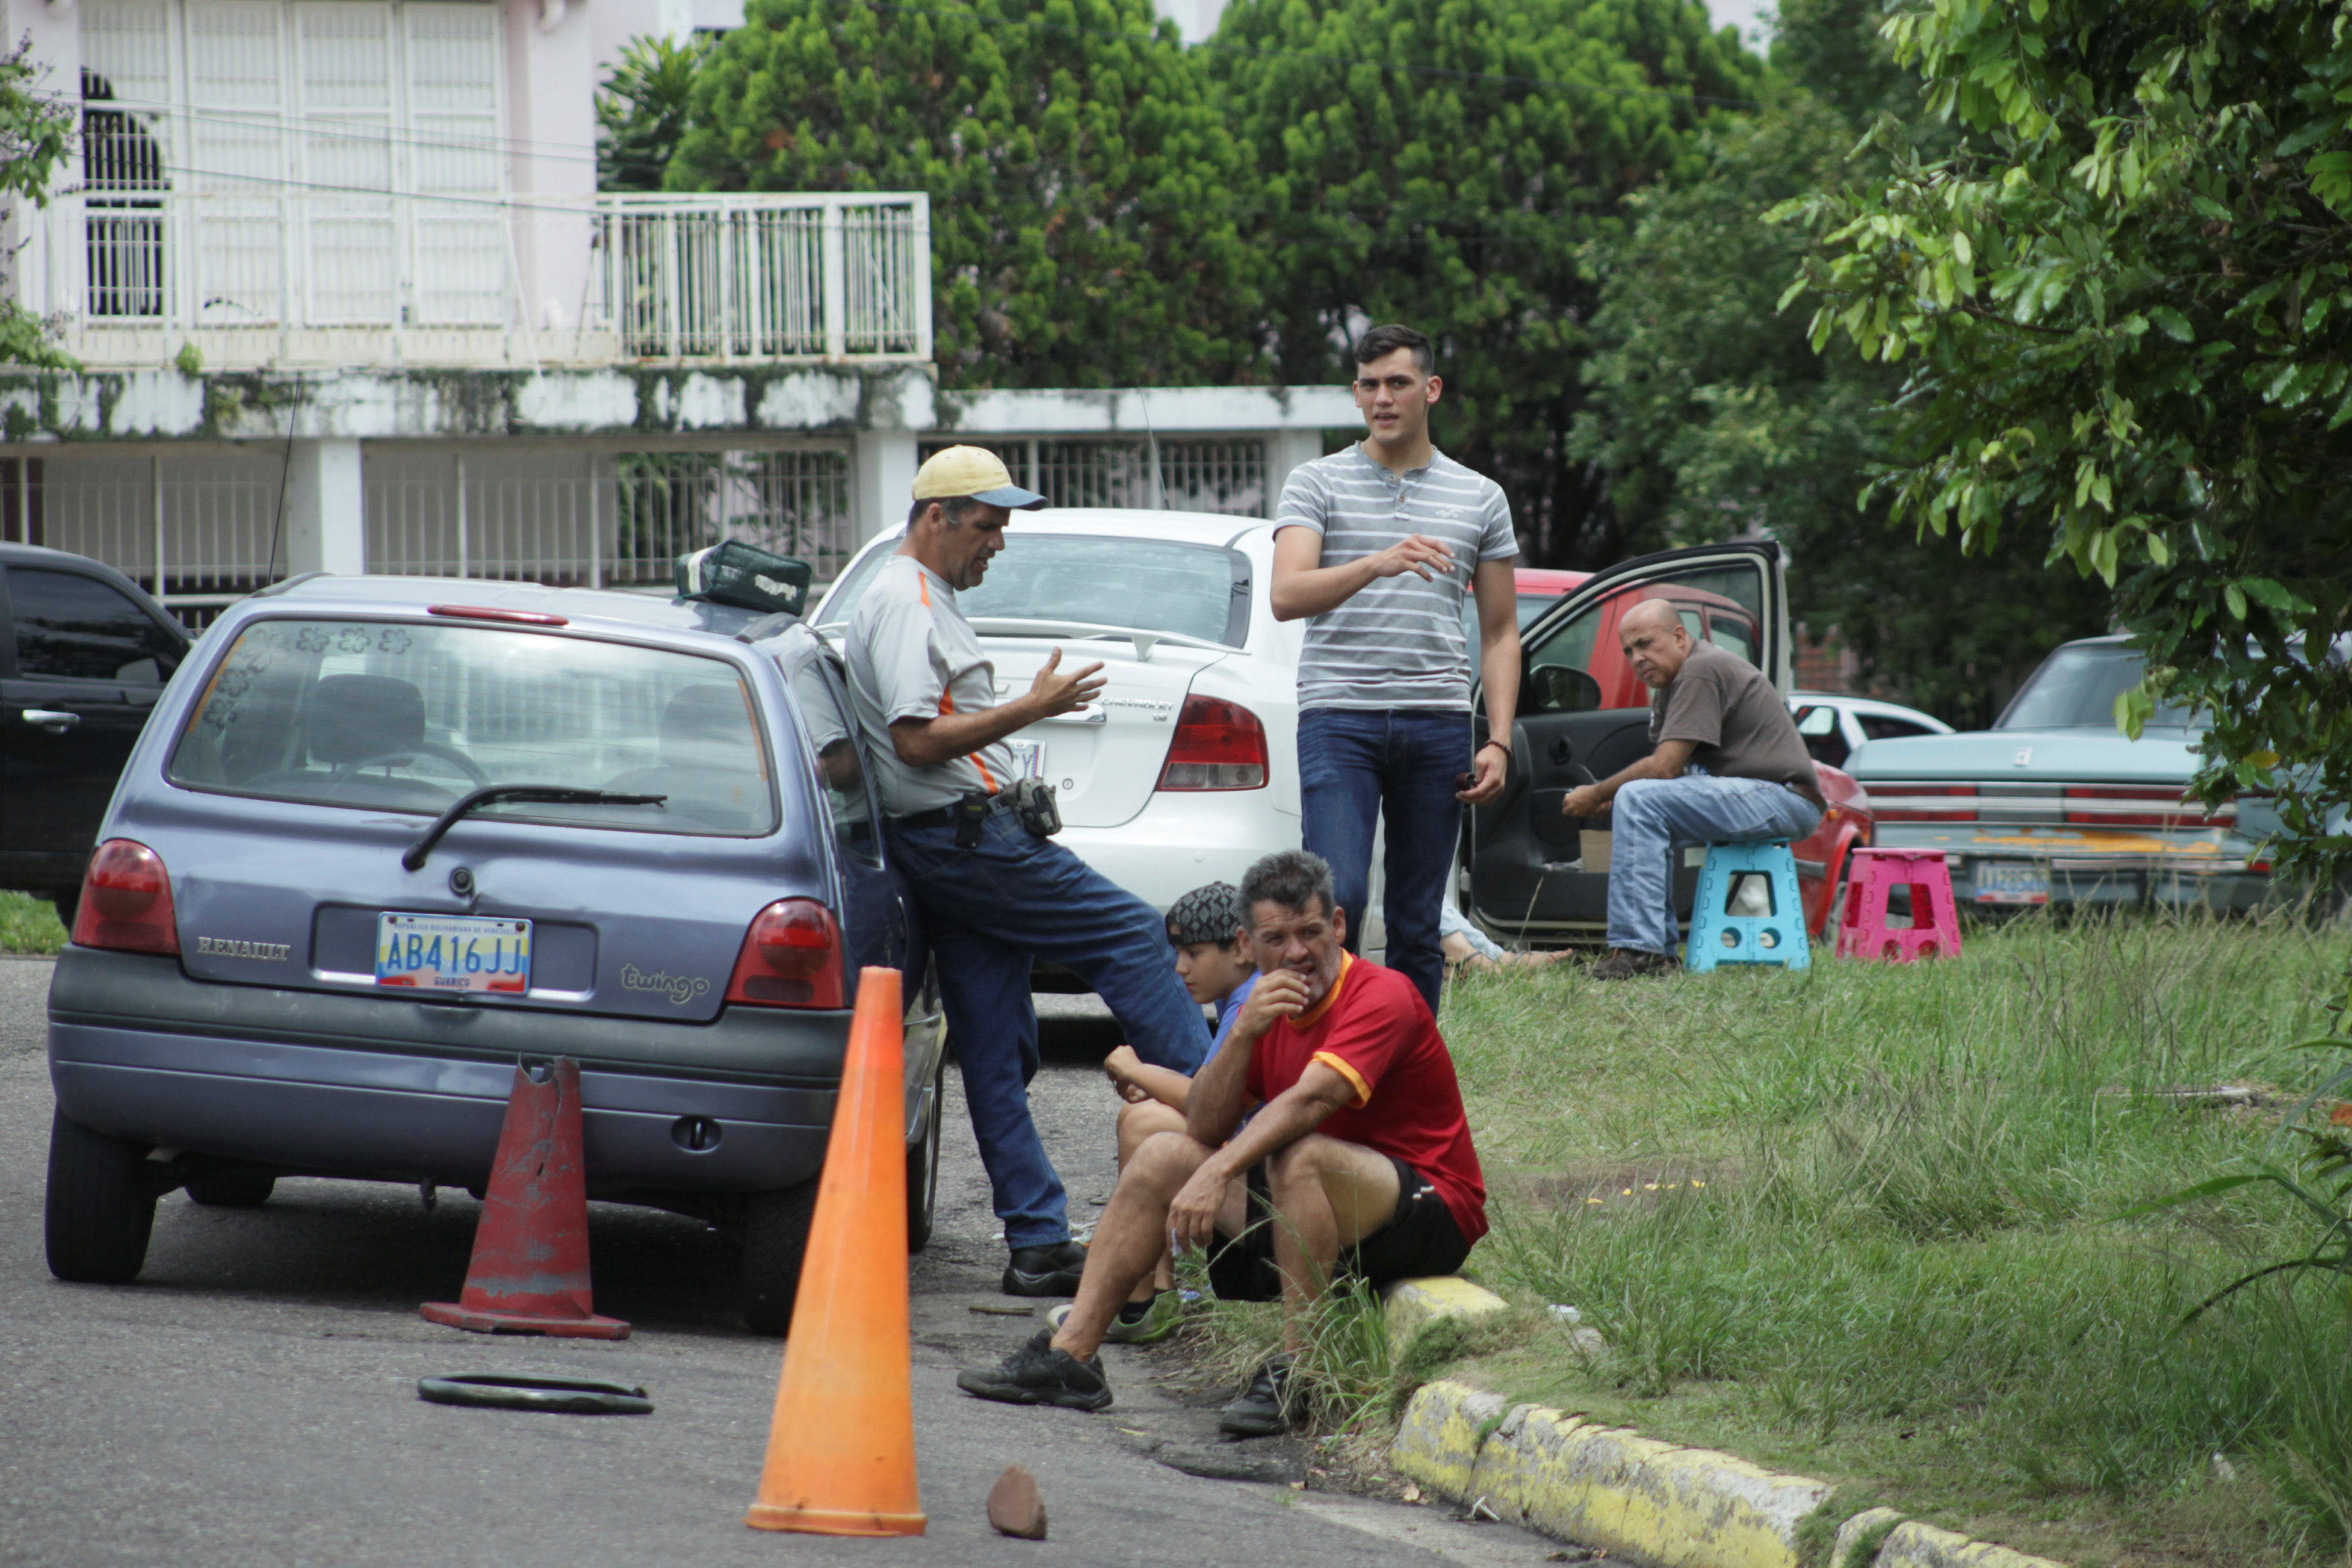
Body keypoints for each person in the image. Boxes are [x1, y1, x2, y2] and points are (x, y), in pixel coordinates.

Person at [842, 445, 1212, 1297]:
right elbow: (912, 740)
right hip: (969, 841)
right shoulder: (903, 599)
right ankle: (1229, 1133)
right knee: (1130, 935)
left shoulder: (918, 596)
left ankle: (1038, 1242)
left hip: (952, 843)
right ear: (936, 518)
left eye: (1003, 526)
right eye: (987, 524)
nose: (997, 543)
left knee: (995, 1046)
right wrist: (1032, 709)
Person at [958, 849, 1488, 1437]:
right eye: (1276, 938)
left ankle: (1300, 1371)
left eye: (1312, 932)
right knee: (1163, 1154)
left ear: (1338, 927)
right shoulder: (1261, 1010)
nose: (1297, 952)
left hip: (1430, 1211)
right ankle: (1071, 1356)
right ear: (1247, 945)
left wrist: (1215, 1176)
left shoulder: (1381, 995)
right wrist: (1240, 1033)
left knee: (1297, 1151)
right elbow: (1206, 1128)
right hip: (1323, 1210)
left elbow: (1309, 1103)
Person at [1269, 322, 1521, 1017]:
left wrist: (1496, 738)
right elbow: (1286, 594)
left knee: (1416, 920)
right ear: (1355, 394)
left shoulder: (1478, 496)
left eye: (1398, 383)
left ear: (1429, 389)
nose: (1382, 398)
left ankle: (1403, 1076)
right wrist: (1377, 560)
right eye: (1369, 385)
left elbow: (1500, 632)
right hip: (1338, 716)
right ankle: (1325, 1065)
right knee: (1337, 895)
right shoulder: (1314, 480)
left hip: (1437, 721)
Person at [1558, 599, 1822, 979]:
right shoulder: (1675, 682)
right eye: (1629, 651)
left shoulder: (1699, 669)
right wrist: (1617, 799)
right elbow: (1675, 773)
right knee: (1637, 803)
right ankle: (1653, 953)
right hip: (1761, 795)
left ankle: (1639, 950)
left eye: (1646, 643)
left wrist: (1598, 793)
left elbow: (1664, 768)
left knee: (1638, 799)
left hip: (1783, 797)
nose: (1637, 658)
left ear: (1680, 637)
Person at [1052, 881, 1260, 1346]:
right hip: (1253, 1150)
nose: (1180, 967)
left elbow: (1208, 1109)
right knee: (1146, 1116)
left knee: (1143, 1123)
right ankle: (1152, 1292)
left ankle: (1139, 1301)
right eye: (1178, 953)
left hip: (1266, 1174)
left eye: (1194, 953)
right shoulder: (1241, 995)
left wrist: (1138, 1069)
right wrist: (1149, 1082)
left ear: (1242, 948)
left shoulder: (1250, 1001)